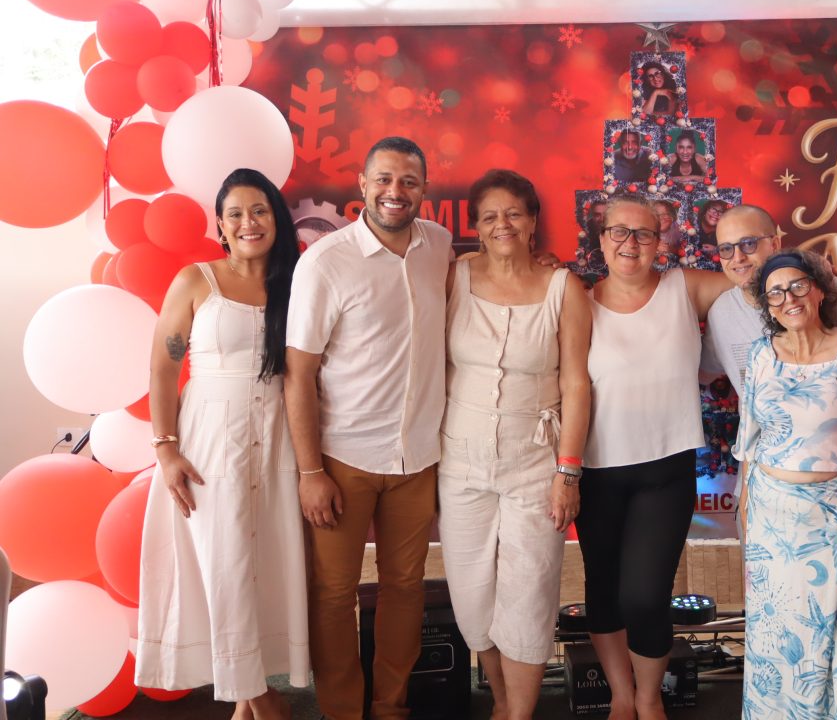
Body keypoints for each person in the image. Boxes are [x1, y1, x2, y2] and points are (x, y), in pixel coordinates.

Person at [283, 137, 452, 720]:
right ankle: (341, 711)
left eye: (408, 181)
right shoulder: (325, 262)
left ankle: (390, 706)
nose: (394, 192)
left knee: (406, 588)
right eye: (383, 179)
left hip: (417, 459)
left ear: (424, 189)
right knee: (334, 594)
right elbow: (298, 374)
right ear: (362, 184)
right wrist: (310, 472)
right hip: (342, 461)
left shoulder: (440, 245)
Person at [138, 168, 307, 720]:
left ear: (276, 220)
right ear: (220, 225)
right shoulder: (197, 281)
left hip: (278, 437)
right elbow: (163, 370)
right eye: (235, 214)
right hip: (210, 441)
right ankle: (262, 700)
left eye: (259, 211)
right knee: (224, 561)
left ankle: (245, 702)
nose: (247, 223)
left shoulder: (298, 284)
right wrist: (166, 450)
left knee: (265, 560)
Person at [438, 169, 592, 720]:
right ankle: (501, 703)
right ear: (475, 226)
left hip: (536, 463)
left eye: (513, 213)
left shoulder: (563, 288)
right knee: (472, 595)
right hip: (460, 461)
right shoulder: (452, 277)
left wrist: (567, 472)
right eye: (489, 216)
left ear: (532, 222)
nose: (501, 224)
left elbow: (577, 384)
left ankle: (519, 714)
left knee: (528, 594)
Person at [577, 193, 729, 720]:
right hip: (595, 471)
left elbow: (756, 281)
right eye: (618, 232)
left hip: (665, 472)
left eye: (643, 233)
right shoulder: (578, 301)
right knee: (603, 592)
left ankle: (649, 697)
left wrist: (817, 277)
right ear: (601, 241)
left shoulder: (684, 288)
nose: (630, 243)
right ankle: (622, 697)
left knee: (645, 596)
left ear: (659, 241)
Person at [735, 249, 837, 720]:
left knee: (826, 636)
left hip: (834, 520)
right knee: (771, 635)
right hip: (770, 521)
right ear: (766, 305)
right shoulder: (760, 355)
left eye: (797, 286)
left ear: (820, 290)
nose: (787, 299)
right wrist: (744, 509)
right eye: (775, 293)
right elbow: (749, 438)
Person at [701, 204, 837, 396]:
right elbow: (702, 375)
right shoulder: (721, 313)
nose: (738, 257)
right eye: (726, 249)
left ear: (774, 245)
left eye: (748, 244)